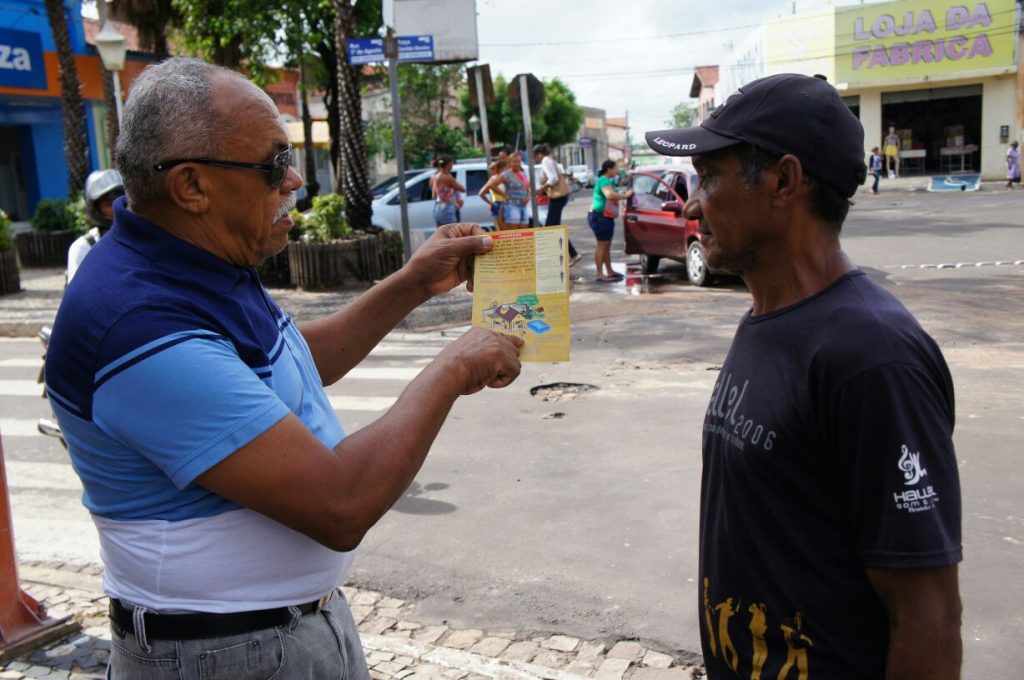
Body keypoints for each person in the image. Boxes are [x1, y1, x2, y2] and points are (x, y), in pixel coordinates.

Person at [46, 58, 523, 678]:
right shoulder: (136, 320)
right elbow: (340, 504)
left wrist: (411, 284)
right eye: (273, 164)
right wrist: (453, 367)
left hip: (278, 630)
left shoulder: (198, 262)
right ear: (192, 186)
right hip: (224, 653)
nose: (294, 179)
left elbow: (292, 363)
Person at [646, 73, 962, 679]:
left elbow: (930, 616)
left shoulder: (872, 356)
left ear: (784, 181)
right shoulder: (766, 318)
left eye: (710, 176)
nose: (690, 203)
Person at [66, 169, 124, 283]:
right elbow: (78, 295)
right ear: (95, 208)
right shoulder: (84, 247)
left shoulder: (137, 240)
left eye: (119, 201)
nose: (115, 208)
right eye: (108, 204)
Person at [533, 143, 580, 266]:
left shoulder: (546, 161)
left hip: (558, 197)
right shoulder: (549, 161)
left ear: (539, 155)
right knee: (553, 227)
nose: (535, 160)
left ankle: (570, 254)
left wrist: (542, 187)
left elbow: (553, 178)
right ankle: (569, 254)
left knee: (551, 227)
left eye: (534, 157)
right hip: (558, 197)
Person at [588, 159, 632, 283]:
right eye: (615, 168)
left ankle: (609, 271)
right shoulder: (604, 180)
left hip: (605, 216)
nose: (617, 170)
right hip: (599, 216)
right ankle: (599, 274)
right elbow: (609, 195)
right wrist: (626, 195)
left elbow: (613, 193)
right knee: (602, 245)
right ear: (609, 169)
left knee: (606, 245)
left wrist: (622, 193)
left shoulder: (607, 180)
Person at [498, 151, 532, 228]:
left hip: (523, 206)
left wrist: (528, 197)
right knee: (514, 233)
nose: (517, 163)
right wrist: (504, 195)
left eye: (519, 161)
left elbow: (528, 188)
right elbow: (492, 185)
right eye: (514, 161)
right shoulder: (506, 174)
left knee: (524, 233)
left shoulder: (523, 173)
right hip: (512, 206)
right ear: (510, 163)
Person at [430, 154, 465, 227]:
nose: (452, 165)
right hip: (448, 209)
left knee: (442, 234)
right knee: (453, 232)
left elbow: (434, 195)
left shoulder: (435, 177)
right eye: (452, 163)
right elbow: (462, 189)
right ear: (448, 164)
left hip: (438, 208)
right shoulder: (447, 177)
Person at [479, 159, 508, 230]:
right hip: (498, 204)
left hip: (506, 204)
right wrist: (490, 203)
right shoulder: (493, 179)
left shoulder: (503, 179)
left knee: (507, 230)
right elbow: (481, 193)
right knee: (501, 230)